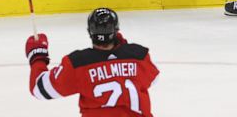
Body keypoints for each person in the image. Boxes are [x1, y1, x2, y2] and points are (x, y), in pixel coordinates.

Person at [25, 8, 159, 117]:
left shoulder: (77, 63)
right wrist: (122, 51)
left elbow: (39, 90)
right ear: (116, 30)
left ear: (90, 32)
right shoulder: (139, 55)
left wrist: (37, 56)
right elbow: (153, 79)